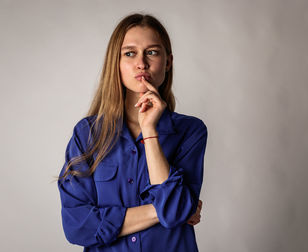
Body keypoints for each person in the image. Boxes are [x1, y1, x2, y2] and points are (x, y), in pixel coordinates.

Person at [57, 12, 208, 252]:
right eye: (130, 53)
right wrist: (163, 210)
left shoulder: (190, 131)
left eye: (152, 52)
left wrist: (149, 131)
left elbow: (176, 211)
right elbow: (78, 226)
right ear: (115, 63)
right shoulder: (87, 134)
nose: (142, 63)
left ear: (168, 62)